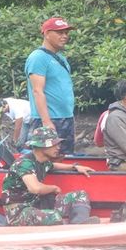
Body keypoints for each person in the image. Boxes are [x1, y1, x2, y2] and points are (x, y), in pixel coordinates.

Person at [1, 127, 98, 225]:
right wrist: (53, 188)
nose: (58, 147)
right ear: (41, 146)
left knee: (80, 195)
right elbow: (35, 188)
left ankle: (79, 224)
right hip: (19, 211)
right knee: (53, 217)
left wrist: (75, 167)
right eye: (54, 144)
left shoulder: (43, 161)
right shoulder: (24, 163)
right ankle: (70, 231)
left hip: (37, 203)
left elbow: (53, 165)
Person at [25, 16, 76, 155]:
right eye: (60, 33)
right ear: (46, 34)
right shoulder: (38, 57)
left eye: (66, 33)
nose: (64, 36)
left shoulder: (61, 58)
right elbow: (37, 91)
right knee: (45, 158)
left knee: (64, 156)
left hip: (66, 117)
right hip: (50, 119)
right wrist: (46, 122)